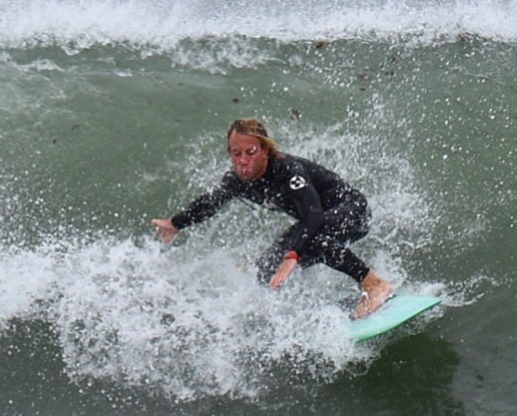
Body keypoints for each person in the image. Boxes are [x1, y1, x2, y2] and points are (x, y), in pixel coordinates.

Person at [152, 118, 392, 318]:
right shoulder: (237, 180)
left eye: (251, 152)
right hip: (317, 222)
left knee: (309, 240)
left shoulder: (287, 170)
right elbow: (210, 202)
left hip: (352, 211)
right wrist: (175, 223)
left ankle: (373, 284)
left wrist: (293, 255)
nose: (243, 161)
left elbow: (314, 215)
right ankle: (302, 307)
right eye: (237, 153)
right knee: (266, 269)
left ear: (265, 151)